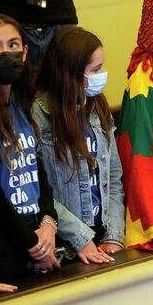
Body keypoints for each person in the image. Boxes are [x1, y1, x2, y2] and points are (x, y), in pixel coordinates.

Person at [0, 14, 59, 289]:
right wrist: (33, 245)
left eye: (13, 45)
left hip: (36, 237)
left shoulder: (22, 104)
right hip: (2, 243)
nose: (5, 53)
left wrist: (49, 222)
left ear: (25, 53)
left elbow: (40, 173)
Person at [32, 27, 124, 265]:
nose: (102, 74)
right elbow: (41, 192)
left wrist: (114, 237)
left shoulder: (98, 108)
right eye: (95, 69)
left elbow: (113, 178)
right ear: (70, 73)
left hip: (102, 240)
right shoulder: (37, 116)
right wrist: (80, 237)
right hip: (64, 247)